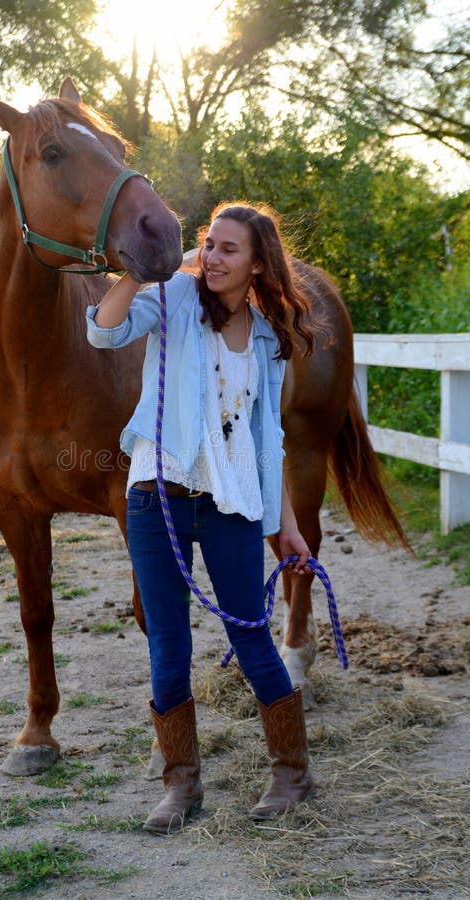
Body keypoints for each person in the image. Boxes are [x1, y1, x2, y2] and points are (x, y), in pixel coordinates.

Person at [86, 201, 321, 835]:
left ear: (257, 264)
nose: (212, 257)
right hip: (155, 496)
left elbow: (268, 440)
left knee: (250, 634)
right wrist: (139, 270)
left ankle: (292, 772)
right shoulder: (173, 300)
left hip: (232, 503)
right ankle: (180, 784)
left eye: (228, 249)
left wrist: (287, 525)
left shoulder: (268, 338)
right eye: (208, 244)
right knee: (169, 643)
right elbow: (104, 330)